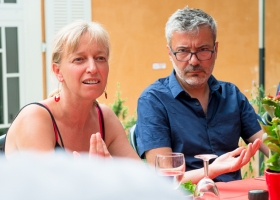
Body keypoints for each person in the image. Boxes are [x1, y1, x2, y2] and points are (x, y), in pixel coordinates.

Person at [135, 6, 269, 183]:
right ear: (170, 53)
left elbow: (270, 145)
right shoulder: (153, 100)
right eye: (183, 51)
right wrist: (212, 170)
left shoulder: (231, 95)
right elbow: (165, 178)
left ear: (216, 49)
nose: (194, 61)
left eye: (203, 49)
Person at [2, 20, 140, 161]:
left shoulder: (105, 118)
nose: (93, 68)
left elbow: (141, 178)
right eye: (79, 59)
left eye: (100, 58)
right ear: (58, 71)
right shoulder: (34, 119)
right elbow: (46, 183)